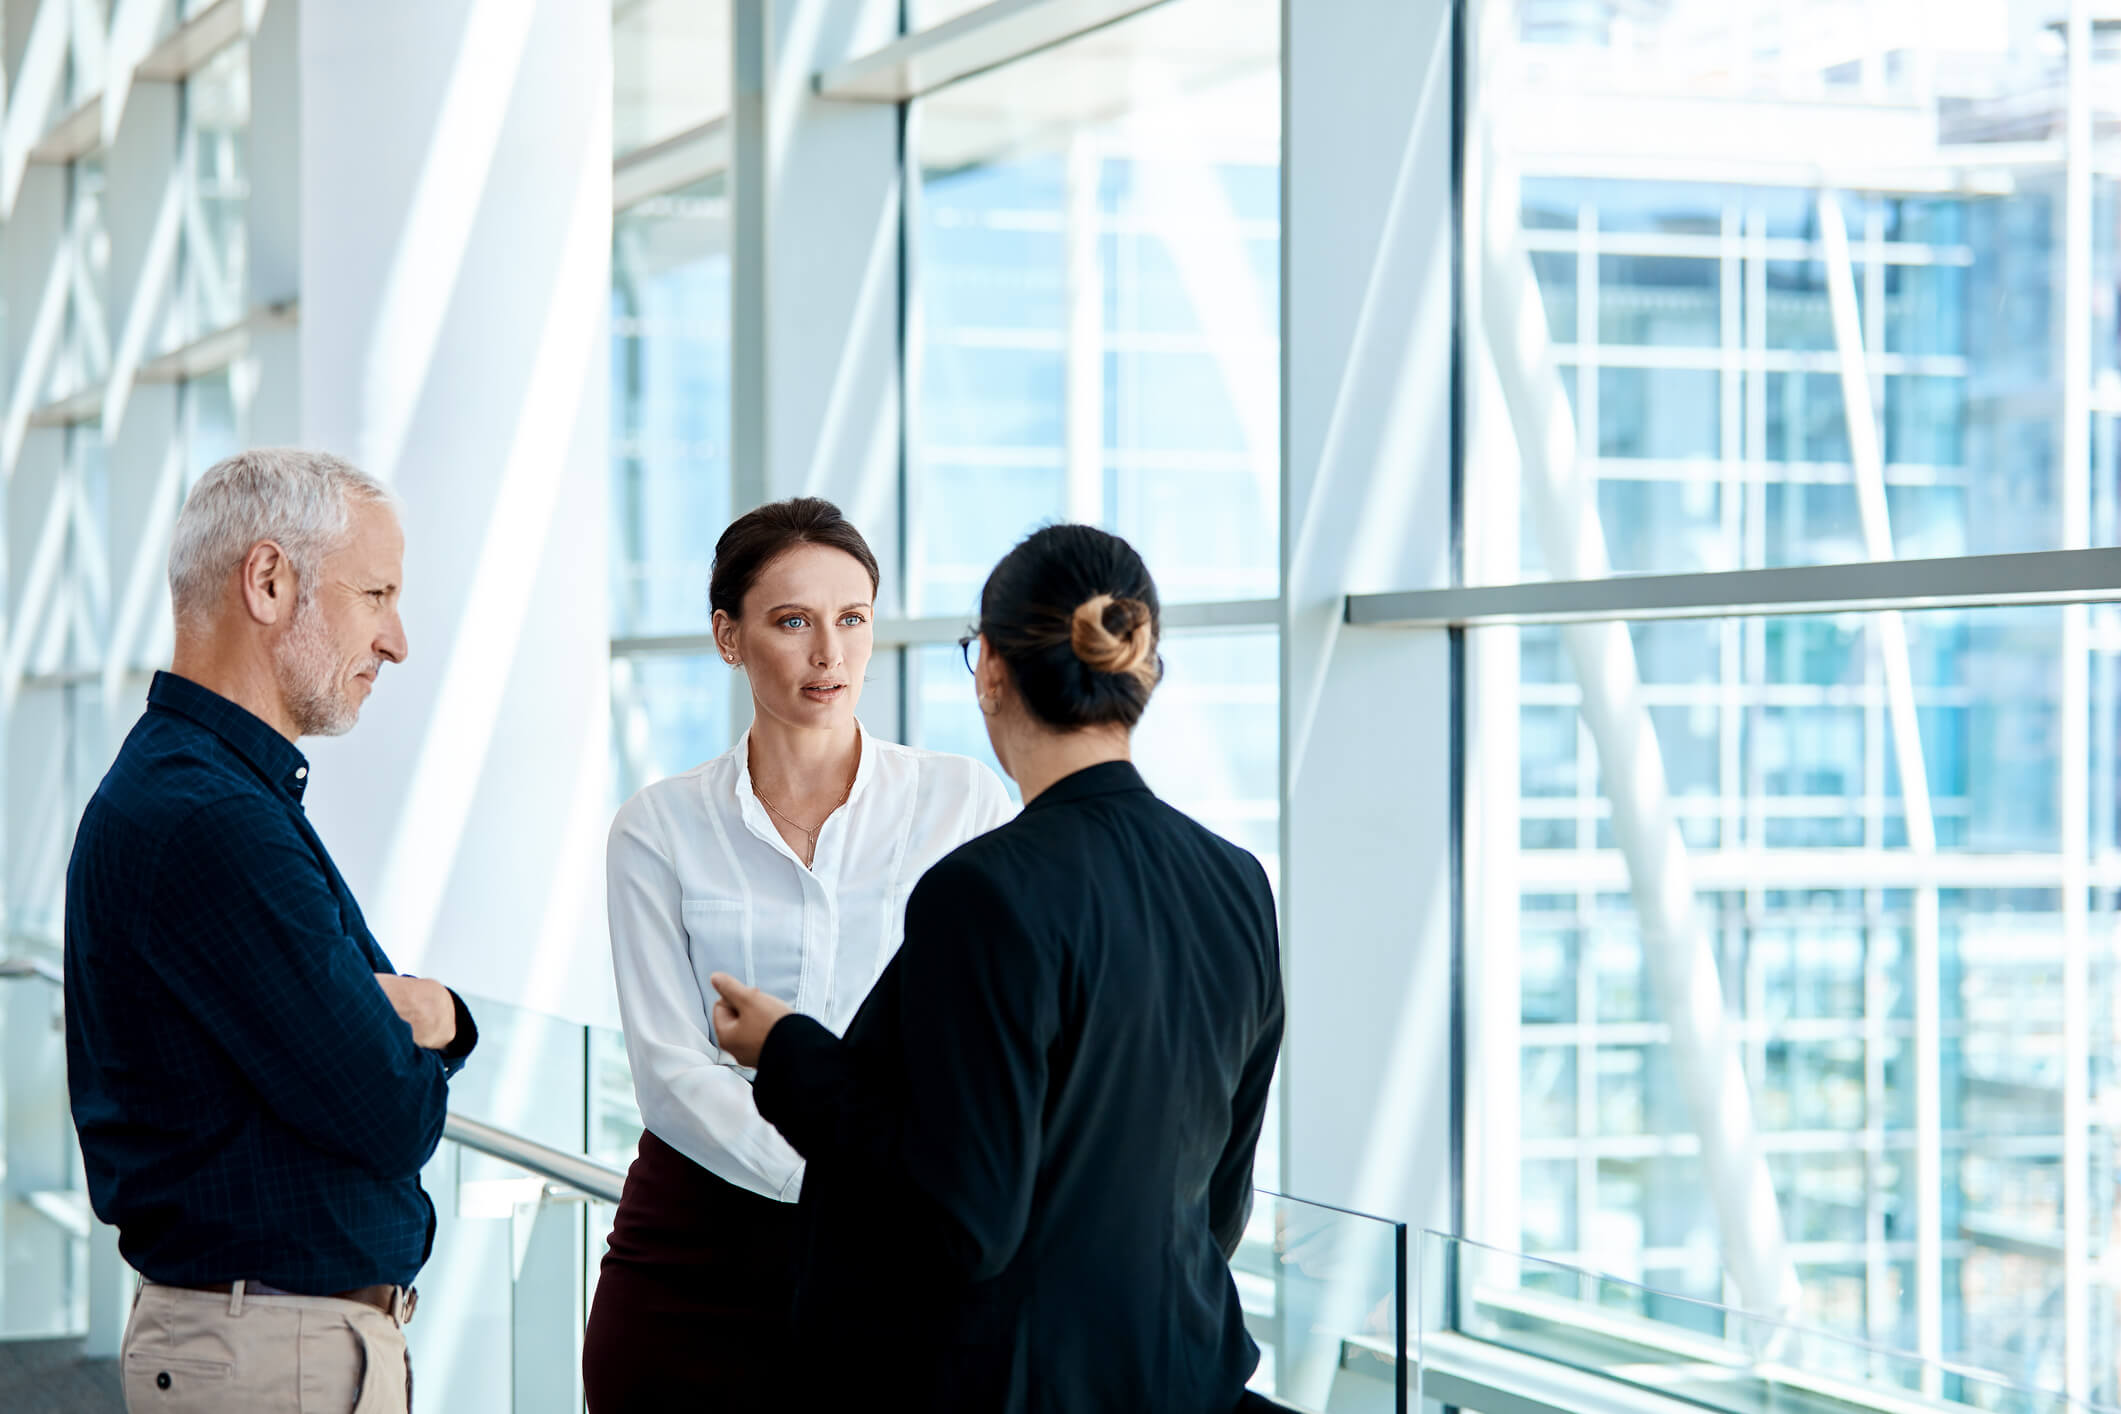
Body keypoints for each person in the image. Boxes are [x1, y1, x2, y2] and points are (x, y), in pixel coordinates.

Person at [711, 523, 1286, 1412]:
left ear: (989, 671)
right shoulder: (1236, 880)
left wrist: (786, 1051)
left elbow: (962, 1215)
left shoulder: (983, 890)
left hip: (1018, 1385)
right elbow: (1220, 1198)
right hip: (1180, 1371)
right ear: (1140, 669)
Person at [65, 449, 478, 1414]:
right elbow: (390, 1115)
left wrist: (410, 1022)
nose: (397, 640)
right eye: (375, 594)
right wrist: (441, 1019)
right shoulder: (211, 818)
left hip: (265, 1346)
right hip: (271, 1359)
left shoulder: (203, 793)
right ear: (268, 581)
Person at [582, 497, 1014, 1412]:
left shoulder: (961, 804)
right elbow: (668, 1071)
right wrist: (839, 1174)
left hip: (893, 1249)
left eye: (852, 619)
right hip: (696, 1245)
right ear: (728, 637)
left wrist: (879, 1182)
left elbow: (985, 1035)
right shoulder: (658, 827)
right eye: (792, 622)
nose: (830, 653)